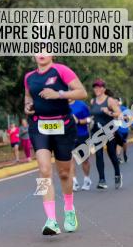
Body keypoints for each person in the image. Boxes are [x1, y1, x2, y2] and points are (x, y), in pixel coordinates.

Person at [24, 54, 87, 235]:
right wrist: (28, 106)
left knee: (64, 173)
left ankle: (69, 209)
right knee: (44, 170)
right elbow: (27, 99)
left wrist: (58, 94)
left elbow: (82, 92)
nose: (41, 53)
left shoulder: (61, 70)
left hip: (63, 126)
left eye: (45, 48)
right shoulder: (29, 77)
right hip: (39, 126)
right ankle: (51, 220)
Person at [88, 79, 122, 189]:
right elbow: (93, 114)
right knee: (98, 155)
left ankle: (117, 175)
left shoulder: (110, 100)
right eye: (95, 87)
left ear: (104, 89)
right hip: (96, 131)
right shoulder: (92, 101)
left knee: (112, 154)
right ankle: (102, 180)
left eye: (99, 87)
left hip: (109, 131)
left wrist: (109, 112)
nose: (97, 89)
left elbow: (119, 114)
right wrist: (90, 120)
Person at [70, 98, 92, 191]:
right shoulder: (60, 106)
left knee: (84, 160)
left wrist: (78, 121)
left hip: (82, 135)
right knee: (70, 159)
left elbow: (89, 119)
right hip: (68, 136)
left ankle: (87, 179)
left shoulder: (81, 105)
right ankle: (74, 182)